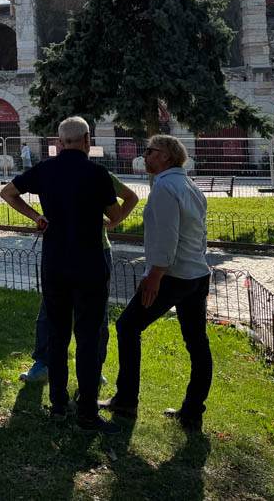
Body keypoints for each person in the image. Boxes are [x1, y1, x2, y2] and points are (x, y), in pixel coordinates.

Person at [0, 117, 124, 432]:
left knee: (57, 334)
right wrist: (107, 219)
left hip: (54, 262)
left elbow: (8, 192)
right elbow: (114, 214)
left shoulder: (44, 170)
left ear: (59, 142)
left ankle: (57, 405)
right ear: (87, 140)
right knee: (88, 336)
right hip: (90, 262)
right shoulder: (98, 174)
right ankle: (87, 412)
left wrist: (37, 217)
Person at [102, 134, 212, 431]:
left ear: (165, 155)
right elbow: (199, 233)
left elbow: (166, 236)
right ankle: (192, 412)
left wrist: (154, 276)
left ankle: (126, 400)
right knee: (197, 343)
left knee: (127, 326)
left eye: (150, 151)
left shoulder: (164, 187)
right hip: (196, 273)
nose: (145, 155)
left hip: (172, 275)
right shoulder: (189, 185)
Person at [20, 165, 138, 385]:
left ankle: (93, 367)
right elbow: (9, 192)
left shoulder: (99, 174)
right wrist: (37, 217)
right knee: (50, 310)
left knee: (96, 313)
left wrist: (114, 222)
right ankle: (44, 363)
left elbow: (131, 197)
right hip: (62, 250)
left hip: (95, 250)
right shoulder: (54, 172)